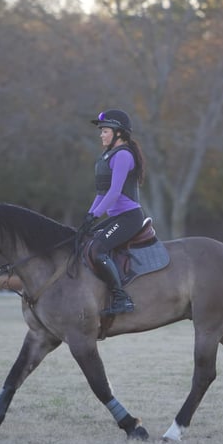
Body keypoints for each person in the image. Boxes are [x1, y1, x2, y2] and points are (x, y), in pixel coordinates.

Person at [78, 108, 146, 315]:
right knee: (85, 241)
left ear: (118, 132)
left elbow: (115, 192)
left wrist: (96, 215)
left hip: (129, 218)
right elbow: (102, 193)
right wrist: (88, 217)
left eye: (105, 130)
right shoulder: (108, 156)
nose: (101, 134)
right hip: (117, 217)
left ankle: (122, 298)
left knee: (97, 250)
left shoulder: (123, 155)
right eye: (101, 131)